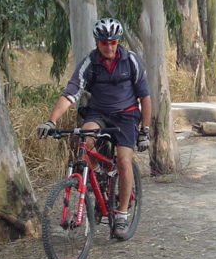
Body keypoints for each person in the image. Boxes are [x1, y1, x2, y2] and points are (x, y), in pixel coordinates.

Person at [36, 18, 151, 240]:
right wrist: (51, 121)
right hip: (98, 114)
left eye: (114, 41)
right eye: (104, 42)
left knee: (124, 160)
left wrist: (145, 129)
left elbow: (145, 97)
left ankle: (121, 214)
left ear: (119, 41)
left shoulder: (131, 60)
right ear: (97, 42)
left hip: (126, 116)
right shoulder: (89, 63)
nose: (109, 46)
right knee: (83, 141)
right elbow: (70, 93)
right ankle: (96, 177)